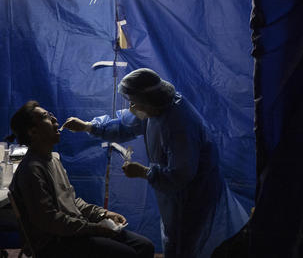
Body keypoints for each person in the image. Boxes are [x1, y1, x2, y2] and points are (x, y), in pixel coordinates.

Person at [63, 68, 248, 258]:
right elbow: (124, 126)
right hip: (175, 198)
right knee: (177, 240)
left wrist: (144, 172)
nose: (132, 107)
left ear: (148, 99)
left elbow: (181, 174)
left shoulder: (179, 124)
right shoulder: (155, 110)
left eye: (134, 102)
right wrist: (88, 126)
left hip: (194, 196)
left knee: (190, 244)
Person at [8, 100, 154, 258]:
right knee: (129, 254)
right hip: (57, 243)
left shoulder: (53, 160)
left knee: (145, 246)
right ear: (33, 132)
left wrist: (103, 214)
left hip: (75, 232)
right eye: (46, 117)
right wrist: (94, 228)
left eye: (51, 115)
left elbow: (72, 201)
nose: (54, 119)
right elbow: (50, 220)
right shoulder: (32, 170)